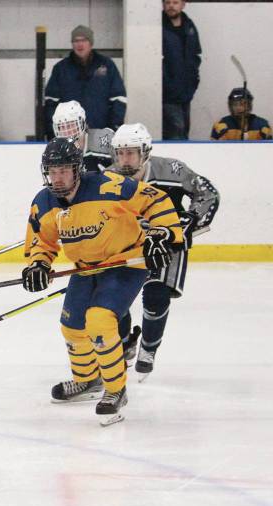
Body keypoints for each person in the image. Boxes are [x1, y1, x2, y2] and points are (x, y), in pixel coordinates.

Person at [21, 138, 183, 426]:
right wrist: (38, 263)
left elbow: (155, 200)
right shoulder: (44, 201)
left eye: (64, 171)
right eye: (52, 172)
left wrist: (161, 234)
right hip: (86, 268)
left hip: (126, 262)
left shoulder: (109, 185)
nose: (57, 178)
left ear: (77, 170)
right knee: (71, 326)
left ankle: (115, 389)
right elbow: (41, 240)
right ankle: (87, 380)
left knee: (100, 320)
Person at [108, 123, 220, 379]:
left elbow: (208, 194)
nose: (124, 159)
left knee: (156, 296)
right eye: (120, 153)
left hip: (167, 244)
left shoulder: (172, 170)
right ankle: (125, 344)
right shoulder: (108, 178)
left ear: (145, 152)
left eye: (131, 152)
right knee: (115, 300)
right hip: (127, 245)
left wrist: (192, 218)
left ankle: (148, 348)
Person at [43, 25, 126, 136]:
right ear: (72, 44)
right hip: (70, 135)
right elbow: (51, 102)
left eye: (84, 40)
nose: (80, 44)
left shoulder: (107, 65)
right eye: (76, 40)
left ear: (91, 43)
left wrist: (113, 128)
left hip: (101, 134)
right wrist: (53, 131)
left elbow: (119, 98)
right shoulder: (61, 69)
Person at [161, 0, 202, 140]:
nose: (171, 6)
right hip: (167, 95)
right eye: (167, 2)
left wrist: (194, 81)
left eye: (175, 2)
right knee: (176, 131)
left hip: (186, 93)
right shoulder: (159, 27)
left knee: (183, 131)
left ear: (183, 4)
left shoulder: (189, 26)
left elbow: (196, 55)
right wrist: (166, 83)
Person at [52, 100, 112, 173]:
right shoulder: (57, 153)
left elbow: (123, 165)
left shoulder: (103, 139)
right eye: (62, 127)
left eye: (70, 125)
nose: (66, 132)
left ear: (82, 123)